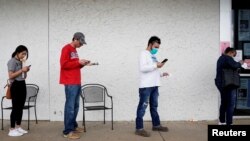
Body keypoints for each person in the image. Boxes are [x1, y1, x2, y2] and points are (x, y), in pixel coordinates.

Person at [135, 36, 169, 137]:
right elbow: (143, 68)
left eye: (158, 47)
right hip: (146, 86)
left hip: (155, 85)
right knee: (142, 107)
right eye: (155, 47)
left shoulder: (152, 55)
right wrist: (156, 66)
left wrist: (162, 74)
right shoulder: (143, 54)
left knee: (154, 106)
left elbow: (153, 70)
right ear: (150, 44)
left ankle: (156, 125)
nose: (156, 49)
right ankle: (139, 128)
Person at [60, 32, 90, 139]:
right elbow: (63, 64)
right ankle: (67, 131)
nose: (81, 45)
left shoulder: (74, 51)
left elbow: (74, 66)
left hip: (76, 81)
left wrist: (82, 64)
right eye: (81, 43)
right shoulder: (66, 49)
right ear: (75, 39)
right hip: (70, 82)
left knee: (76, 106)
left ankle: (73, 126)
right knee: (70, 107)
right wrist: (78, 63)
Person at [215, 47, 245, 125]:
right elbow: (235, 65)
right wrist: (240, 63)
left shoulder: (220, 58)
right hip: (229, 84)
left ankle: (222, 121)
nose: (233, 57)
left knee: (224, 103)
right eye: (233, 55)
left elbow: (230, 67)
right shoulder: (227, 58)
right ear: (231, 52)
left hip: (221, 84)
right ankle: (229, 123)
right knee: (230, 104)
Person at [7, 45, 30, 137]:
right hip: (15, 85)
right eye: (23, 53)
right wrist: (21, 70)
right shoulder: (12, 61)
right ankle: (12, 129)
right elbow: (11, 76)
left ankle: (18, 127)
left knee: (20, 107)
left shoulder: (21, 61)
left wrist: (26, 71)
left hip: (22, 84)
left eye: (25, 54)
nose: (24, 56)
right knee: (15, 107)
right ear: (17, 52)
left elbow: (23, 76)